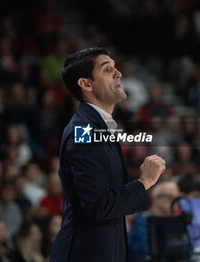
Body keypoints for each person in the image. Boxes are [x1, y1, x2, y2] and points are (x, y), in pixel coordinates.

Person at [49, 47, 166, 262]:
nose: (118, 73)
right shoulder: (83, 131)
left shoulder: (97, 127)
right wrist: (143, 183)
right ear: (86, 84)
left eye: (115, 67)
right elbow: (97, 205)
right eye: (107, 69)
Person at [128, 182, 180, 262]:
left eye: (177, 198)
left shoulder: (176, 223)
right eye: (169, 197)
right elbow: (144, 251)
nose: (174, 202)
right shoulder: (141, 220)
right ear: (155, 198)